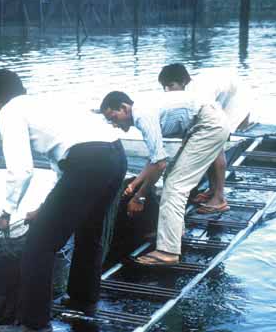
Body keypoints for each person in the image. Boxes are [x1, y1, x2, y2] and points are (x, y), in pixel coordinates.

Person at [0, 69, 127, 332]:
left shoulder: (10, 112)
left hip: (90, 162)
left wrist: (7, 211)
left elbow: (21, 170)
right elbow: (65, 167)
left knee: (39, 244)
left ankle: (34, 325)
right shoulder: (42, 103)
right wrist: (44, 208)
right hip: (115, 156)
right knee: (89, 233)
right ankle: (83, 300)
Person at [100, 90, 229, 266]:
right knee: (171, 176)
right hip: (207, 121)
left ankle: (168, 251)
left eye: (114, 117)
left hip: (208, 124)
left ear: (124, 107)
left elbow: (159, 164)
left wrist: (139, 197)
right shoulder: (142, 110)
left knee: (175, 186)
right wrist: (136, 183)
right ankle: (173, 232)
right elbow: (155, 160)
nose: (114, 124)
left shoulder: (142, 116)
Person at [158, 63, 250, 213]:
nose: (167, 90)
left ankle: (219, 199)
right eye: (164, 87)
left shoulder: (200, 92)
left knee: (216, 148)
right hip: (223, 98)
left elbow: (211, 121)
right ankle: (212, 190)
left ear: (183, 81)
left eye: (170, 85)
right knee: (209, 145)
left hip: (235, 103)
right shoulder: (188, 92)